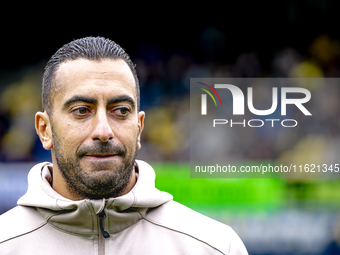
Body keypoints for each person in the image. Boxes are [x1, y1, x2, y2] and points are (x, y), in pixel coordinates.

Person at [0, 37, 248, 254]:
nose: (103, 131)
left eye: (120, 110)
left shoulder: (214, 247)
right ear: (45, 129)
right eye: (81, 111)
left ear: (139, 128)